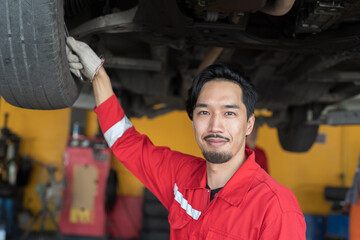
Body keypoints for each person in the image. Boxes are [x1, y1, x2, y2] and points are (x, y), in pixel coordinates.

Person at [66, 37, 306, 239]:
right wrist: (98, 76)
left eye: (229, 113)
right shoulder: (181, 178)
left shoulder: (276, 209)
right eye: (204, 112)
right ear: (193, 121)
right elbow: (125, 142)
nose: (215, 125)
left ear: (249, 124)